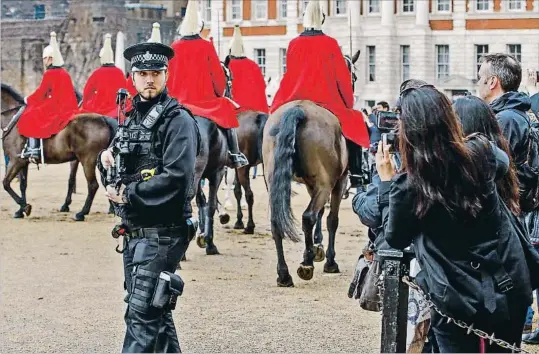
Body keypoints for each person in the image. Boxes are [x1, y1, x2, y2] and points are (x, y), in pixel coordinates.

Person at [379, 84, 532, 352]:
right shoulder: (481, 152)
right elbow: (503, 165)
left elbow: (394, 237)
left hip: (455, 294)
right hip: (507, 279)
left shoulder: (409, 185)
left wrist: (385, 183)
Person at [97, 35, 199, 353]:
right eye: (143, 74)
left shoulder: (178, 120)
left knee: (141, 319)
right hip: (135, 233)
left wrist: (130, 193)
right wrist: (106, 160)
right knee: (155, 313)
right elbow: (121, 162)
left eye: (156, 73)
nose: (149, 79)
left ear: (166, 75)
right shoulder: (132, 118)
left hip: (163, 234)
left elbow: (177, 177)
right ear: (133, 77)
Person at [269, 0, 369, 188]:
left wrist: (277, 104)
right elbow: (342, 80)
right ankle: (356, 173)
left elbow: (290, 76)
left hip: (295, 99)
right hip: (326, 103)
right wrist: (348, 104)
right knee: (356, 122)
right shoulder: (331, 44)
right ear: (322, 20)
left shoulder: (294, 43)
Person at [167, 0, 248, 168]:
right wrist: (220, 94)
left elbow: (168, 78)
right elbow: (218, 79)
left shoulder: (174, 47)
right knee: (226, 109)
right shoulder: (206, 46)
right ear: (200, 25)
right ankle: (234, 153)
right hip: (204, 104)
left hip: (178, 104)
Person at [15, 31, 78, 163]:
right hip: (69, 107)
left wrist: (28, 99)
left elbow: (41, 92)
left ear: (50, 59)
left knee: (29, 115)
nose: (44, 61)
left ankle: (33, 149)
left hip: (56, 107)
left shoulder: (50, 73)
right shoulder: (64, 73)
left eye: (45, 58)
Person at [224, 25, 269, 114]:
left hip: (236, 109)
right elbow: (262, 86)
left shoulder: (228, 65)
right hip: (256, 109)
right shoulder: (253, 64)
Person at [79, 33, 126, 118]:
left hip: (99, 110)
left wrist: (85, 105)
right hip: (117, 110)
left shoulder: (97, 73)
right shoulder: (120, 72)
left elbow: (87, 92)